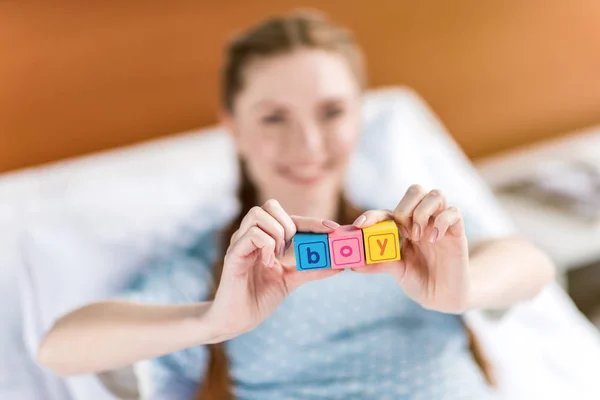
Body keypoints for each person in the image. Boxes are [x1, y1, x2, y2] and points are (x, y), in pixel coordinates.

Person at [38, 10, 555, 400]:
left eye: (331, 112)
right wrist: (212, 321)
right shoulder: (221, 270)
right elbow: (59, 349)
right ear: (233, 128)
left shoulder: (411, 239)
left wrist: (463, 290)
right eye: (273, 118)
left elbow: (531, 264)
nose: (308, 144)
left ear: (359, 117)